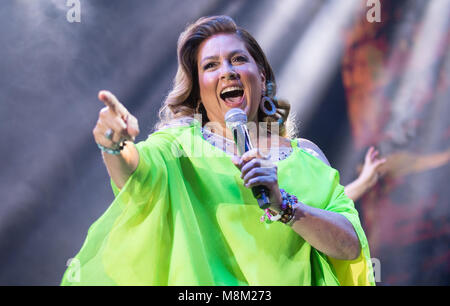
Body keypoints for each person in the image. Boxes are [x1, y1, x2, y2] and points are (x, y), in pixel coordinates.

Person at [61, 15, 374, 286]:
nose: (227, 71)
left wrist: (284, 206)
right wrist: (115, 145)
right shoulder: (178, 147)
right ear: (198, 89)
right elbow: (136, 174)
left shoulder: (307, 155)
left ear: (261, 77)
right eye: (211, 65)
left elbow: (349, 246)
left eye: (238, 59)